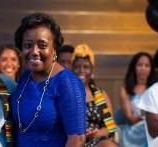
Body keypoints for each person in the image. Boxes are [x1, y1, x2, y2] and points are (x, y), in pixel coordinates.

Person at [11, 12, 86, 147]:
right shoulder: (24, 78)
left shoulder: (68, 83)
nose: (34, 51)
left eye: (42, 45)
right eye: (28, 45)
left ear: (55, 49)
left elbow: (77, 140)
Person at [72, 44, 117, 147]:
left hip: (98, 142)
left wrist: (96, 133)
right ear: (72, 69)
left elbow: (111, 128)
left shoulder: (99, 95)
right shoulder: (66, 94)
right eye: (77, 67)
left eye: (86, 67)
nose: (81, 70)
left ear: (92, 69)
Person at [119, 52, 156, 147]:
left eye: (147, 65)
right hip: (134, 131)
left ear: (151, 69)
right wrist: (147, 115)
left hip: (153, 128)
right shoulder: (126, 89)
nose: (143, 68)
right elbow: (131, 118)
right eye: (140, 65)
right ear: (134, 68)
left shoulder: (156, 88)